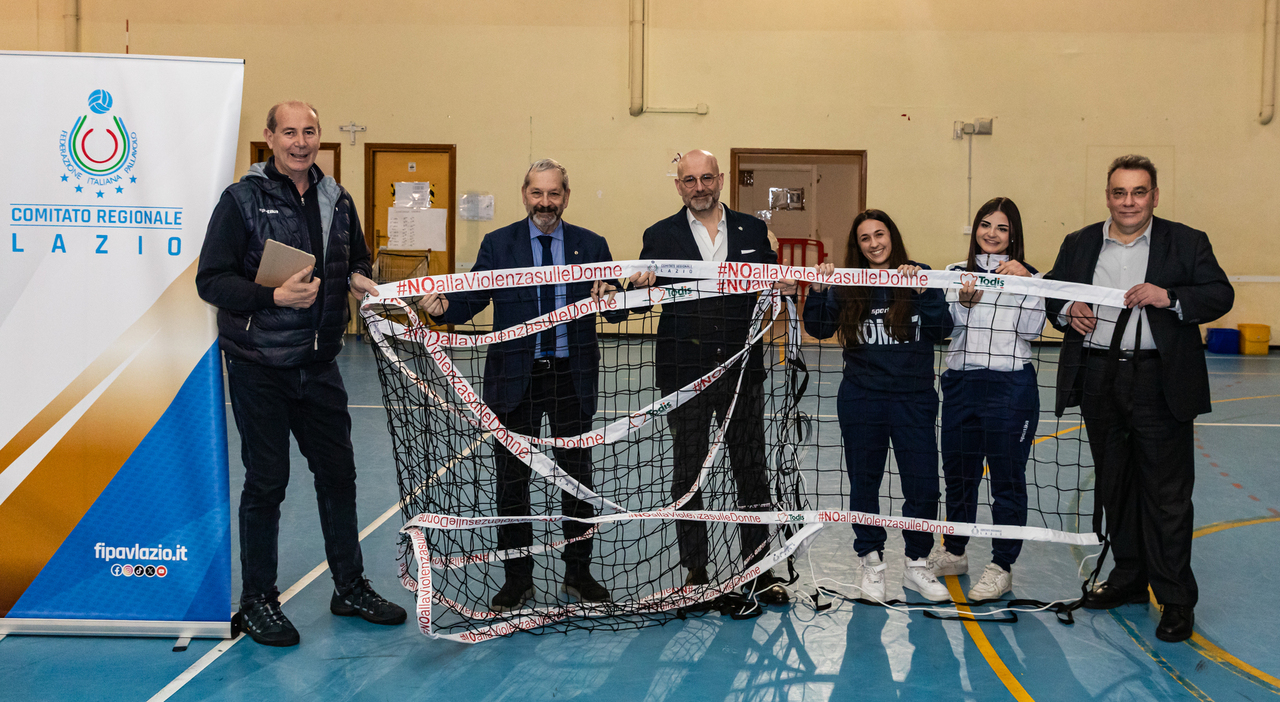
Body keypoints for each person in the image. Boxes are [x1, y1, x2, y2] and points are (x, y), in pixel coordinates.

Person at [196, 101, 406, 647]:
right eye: (288, 132)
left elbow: (356, 259)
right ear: (270, 138)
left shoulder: (338, 199)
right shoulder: (241, 200)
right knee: (267, 484)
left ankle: (350, 587)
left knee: (339, 477)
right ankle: (259, 600)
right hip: (260, 367)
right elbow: (211, 281)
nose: (300, 141)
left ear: (319, 137)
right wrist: (272, 295)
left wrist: (361, 280)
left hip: (320, 366)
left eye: (309, 131)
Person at [418, 159, 625, 612]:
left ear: (565, 196)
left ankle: (578, 572)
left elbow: (616, 308)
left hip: (573, 380)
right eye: (537, 193)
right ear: (525, 194)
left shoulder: (591, 245)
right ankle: (518, 579)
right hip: (515, 381)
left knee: (577, 481)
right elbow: (470, 298)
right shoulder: (499, 244)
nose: (545, 203)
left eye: (554, 194)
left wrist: (613, 296)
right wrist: (439, 309)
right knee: (513, 486)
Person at [1045, 154, 1233, 643]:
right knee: (1116, 486)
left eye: (1139, 192)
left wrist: (1168, 297)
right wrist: (1069, 309)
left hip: (1159, 380)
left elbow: (1219, 294)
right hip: (1098, 378)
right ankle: (1130, 579)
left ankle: (1175, 598)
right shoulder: (1080, 242)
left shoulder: (1187, 242)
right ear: (1108, 195)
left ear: (1154, 194)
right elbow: (1050, 293)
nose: (1128, 202)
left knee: (1167, 495)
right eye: (1119, 192)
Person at [631, 149, 790, 605]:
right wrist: (639, 288)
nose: (698, 187)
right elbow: (643, 298)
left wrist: (782, 283)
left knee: (751, 472)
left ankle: (759, 570)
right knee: (688, 475)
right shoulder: (659, 235)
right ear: (677, 185)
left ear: (720, 180)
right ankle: (696, 575)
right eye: (688, 180)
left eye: (706, 178)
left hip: (742, 372)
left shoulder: (754, 230)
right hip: (684, 374)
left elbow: (768, 283)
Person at [805, 209, 954, 602]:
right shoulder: (848, 282)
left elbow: (943, 331)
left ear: (893, 236)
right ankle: (871, 561)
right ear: (858, 245)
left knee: (922, 484)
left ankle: (917, 563)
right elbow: (818, 328)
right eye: (865, 238)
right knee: (864, 484)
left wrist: (924, 292)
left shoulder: (920, 274)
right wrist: (818, 291)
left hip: (914, 398)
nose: (874, 244)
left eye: (880, 234)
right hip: (862, 397)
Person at [928, 197, 1045, 601]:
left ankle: (1001, 565)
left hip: (1010, 387)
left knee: (1007, 481)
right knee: (959, 476)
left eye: (1002, 228)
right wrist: (965, 300)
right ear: (975, 229)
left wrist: (1026, 282)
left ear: (1014, 236)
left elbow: (1030, 332)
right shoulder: (954, 274)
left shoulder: (1033, 277)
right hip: (961, 384)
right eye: (985, 225)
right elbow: (949, 327)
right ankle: (955, 551)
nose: (991, 234)